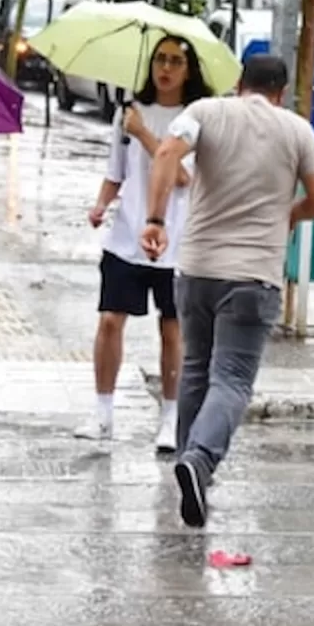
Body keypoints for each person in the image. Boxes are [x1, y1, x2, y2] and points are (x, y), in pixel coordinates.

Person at [141, 55, 314, 527]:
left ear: (239, 84)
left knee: (195, 372)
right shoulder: (297, 130)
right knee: (231, 379)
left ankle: (191, 470)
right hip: (253, 276)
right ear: (281, 92)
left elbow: (166, 153)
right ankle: (199, 461)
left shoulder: (205, 112)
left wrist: (155, 220)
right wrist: (290, 214)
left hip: (198, 269)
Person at [75, 35, 213, 451]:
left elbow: (185, 177)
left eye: (175, 61)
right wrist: (101, 204)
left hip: (177, 241)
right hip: (127, 237)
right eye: (159, 59)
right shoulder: (129, 114)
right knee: (109, 321)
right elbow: (116, 172)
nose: (165, 68)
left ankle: (170, 418)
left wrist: (147, 135)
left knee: (172, 331)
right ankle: (102, 412)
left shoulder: (194, 119)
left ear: (189, 71)